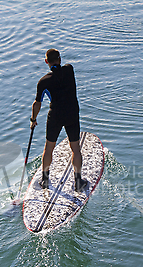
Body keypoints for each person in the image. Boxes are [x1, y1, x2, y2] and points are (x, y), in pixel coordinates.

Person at [30, 48, 88, 192]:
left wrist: (33, 119)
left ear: (46, 62)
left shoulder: (43, 82)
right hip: (72, 114)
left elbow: (37, 104)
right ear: (60, 59)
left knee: (49, 148)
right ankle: (78, 182)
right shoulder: (69, 70)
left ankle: (45, 180)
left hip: (55, 116)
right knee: (75, 148)